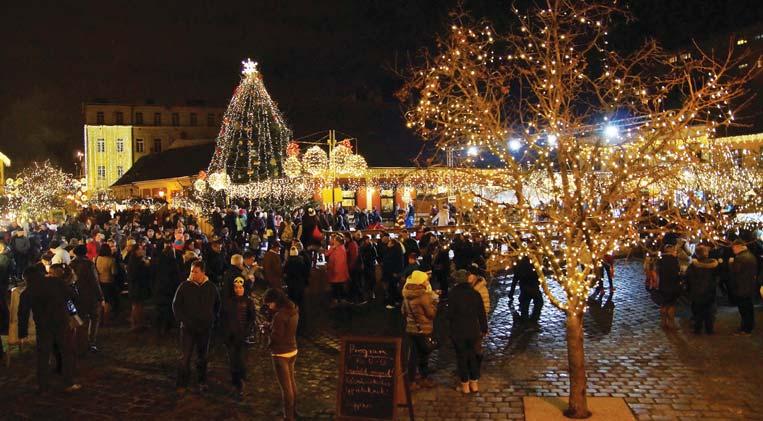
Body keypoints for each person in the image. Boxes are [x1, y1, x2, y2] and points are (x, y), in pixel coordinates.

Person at [22, 264, 80, 392]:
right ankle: (68, 382)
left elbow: (23, 312)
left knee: (43, 355)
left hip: (43, 326)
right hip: (61, 322)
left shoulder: (28, 291)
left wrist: (22, 332)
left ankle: (43, 385)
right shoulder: (55, 282)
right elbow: (72, 295)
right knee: (66, 352)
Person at [172, 260, 221, 395]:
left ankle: (201, 381)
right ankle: (182, 383)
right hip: (188, 328)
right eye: (191, 271)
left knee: (202, 356)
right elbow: (176, 306)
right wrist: (183, 320)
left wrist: (212, 319)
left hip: (205, 328)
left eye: (196, 272)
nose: (193, 274)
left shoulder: (211, 287)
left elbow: (217, 305)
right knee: (185, 357)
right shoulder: (184, 286)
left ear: (203, 273)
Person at [447, 269, 487, 394]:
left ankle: (465, 385)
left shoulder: (453, 294)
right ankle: (474, 383)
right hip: (473, 330)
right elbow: (481, 313)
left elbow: (450, 315)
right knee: (473, 357)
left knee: (461, 357)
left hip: (458, 331)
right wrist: (484, 328)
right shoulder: (475, 294)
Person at [264, 288, 299, 421]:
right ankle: (294, 411)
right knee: (292, 382)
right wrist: (271, 326)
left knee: (286, 388)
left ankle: (288, 417)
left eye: (269, 303)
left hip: (281, 354)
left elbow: (276, 338)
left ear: (276, 301)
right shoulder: (294, 309)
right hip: (292, 350)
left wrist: (268, 333)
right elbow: (285, 329)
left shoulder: (279, 316)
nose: (269, 306)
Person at [401, 270, 437, 389]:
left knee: (413, 355)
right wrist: (435, 303)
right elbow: (431, 314)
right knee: (424, 353)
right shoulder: (423, 296)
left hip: (411, 329)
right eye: (425, 280)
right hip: (423, 329)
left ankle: (411, 381)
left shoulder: (406, 294)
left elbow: (403, 312)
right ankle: (424, 377)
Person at [221, 277, 255, 399]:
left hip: (242, 337)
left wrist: (246, 332)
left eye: (240, 287)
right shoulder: (228, 301)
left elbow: (251, 319)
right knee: (232, 362)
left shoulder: (249, 302)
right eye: (236, 287)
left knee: (241, 362)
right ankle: (235, 384)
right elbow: (224, 319)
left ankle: (241, 385)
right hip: (231, 337)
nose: (238, 290)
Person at [70, 245, 104, 353]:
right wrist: (100, 296)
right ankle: (91, 342)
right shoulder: (88, 264)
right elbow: (94, 281)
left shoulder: (71, 264)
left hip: (77, 296)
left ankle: (80, 342)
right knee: (94, 318)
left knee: (80, 319)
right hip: (90, 296)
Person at [684, 245, 719, 334]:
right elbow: (718, 277)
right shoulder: (713, 265)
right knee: (709, 313)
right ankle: (709, 329)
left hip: (696, 293)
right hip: (709, 292)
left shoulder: (692, 266)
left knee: (697, 312)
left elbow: (687, 279)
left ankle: (697, 329)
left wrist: (689, 290)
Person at [729, 239, 758, 335]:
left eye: (733, 248)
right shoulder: (751, 255)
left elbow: (735, 273)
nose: (733, 250)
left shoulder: (739, 258)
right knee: (749, 308)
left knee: (744, 309)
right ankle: (750, 326)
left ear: (738, 247)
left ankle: (745, 329)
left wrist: (731, 263)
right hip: (749, 286)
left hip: (741, 287)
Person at [152, 245, 181, 335]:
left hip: (159, 288)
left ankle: (157, 328)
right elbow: (176, 277)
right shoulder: (173, 263)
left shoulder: (158, 262)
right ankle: (166, 328)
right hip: (169, 289)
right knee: (168, 309)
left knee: (159, 309)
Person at [510, 256, 543, 327]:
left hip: (525, 288)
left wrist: (511, 293)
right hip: (533, 287)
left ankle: (525, 321)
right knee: (539, 302)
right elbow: (539, 275)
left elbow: (515, 280)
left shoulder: (519, 265)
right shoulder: (533, 263)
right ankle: (534, 318)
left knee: (525, 305)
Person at [283, 246, 309, 334]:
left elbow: (285, 272)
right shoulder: (301, 260)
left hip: (291, 284)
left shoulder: (288, 262)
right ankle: (301, 319)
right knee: (300, 302)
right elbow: (305, 272)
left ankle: (293, 316)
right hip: (300, 284)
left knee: (292, 300)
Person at [657, 244, 682, 330]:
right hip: (672, 285)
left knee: (663, 304)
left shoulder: (660, 259)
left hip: (663, 284)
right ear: (671, 251)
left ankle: (663, 322)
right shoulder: (673, 260)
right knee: (671, 305)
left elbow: (658, 271)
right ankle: (671, 323)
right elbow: (677, 272)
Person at [127, 245, 151, 331]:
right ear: (136, 251)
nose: (142, 251)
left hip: (137, 286)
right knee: (137, 305)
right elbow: (137, 274)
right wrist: (145, 265)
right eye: (140, 249)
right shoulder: (136, 262)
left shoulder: (135, 260)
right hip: (137, 287)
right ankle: (136, 324)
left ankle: (139, 322)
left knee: (138, 305)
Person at [95, 243, 118, 324]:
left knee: (101, 300)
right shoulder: (111, 260)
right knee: (108, 301)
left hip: (99, 281)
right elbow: (114, 272)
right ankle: (106, 319)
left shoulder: (97, 258)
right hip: (108, 281)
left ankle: (99, 318)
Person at [326, 234, 350, 306]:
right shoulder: (338, 248)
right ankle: (340, 300)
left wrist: (334, 270)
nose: (333, 241)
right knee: (338, 286)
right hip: (337, 272)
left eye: (335, 240)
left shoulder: (339, 249)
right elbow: (327, 254)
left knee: (337, 287)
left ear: (338, 242)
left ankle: (338, 301)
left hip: (336, 272)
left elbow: (339, 261)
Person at [381, 235, 404, 309]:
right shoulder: (393, 250)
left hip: (393, 272)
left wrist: (395, 272)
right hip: (391, 272)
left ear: (393, 244)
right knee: (393, 287)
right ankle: (396, 301)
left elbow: (395, 263)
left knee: (393, 287)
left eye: (389, 242)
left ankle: (394, 303)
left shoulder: (394, 252)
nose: (388, 242)